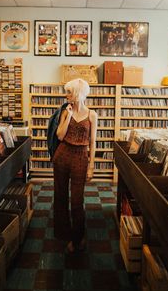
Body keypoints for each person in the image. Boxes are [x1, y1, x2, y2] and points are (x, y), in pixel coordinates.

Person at [52, 78, 98, 253]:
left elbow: (93, 142)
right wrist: (69, 115)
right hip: (62, 156)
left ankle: (78, 238)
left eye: (69, 92)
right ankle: (64, 234)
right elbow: (60, 136)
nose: (66, 95)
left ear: (77, 93)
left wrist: (91, 165)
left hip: (80, 157)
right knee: (60, 196)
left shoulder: (92, 115)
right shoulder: (66, 111)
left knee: (77, 201)